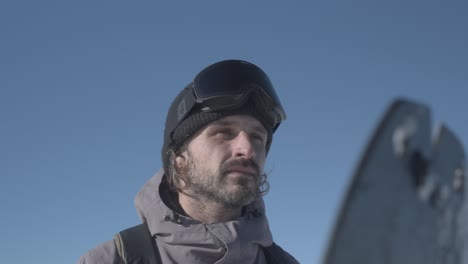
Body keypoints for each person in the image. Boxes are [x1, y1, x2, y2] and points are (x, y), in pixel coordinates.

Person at [78, 60, 299, 263]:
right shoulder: (111, 260)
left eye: (257, 137)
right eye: (224, 132)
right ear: (179, 159)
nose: (248, 149)